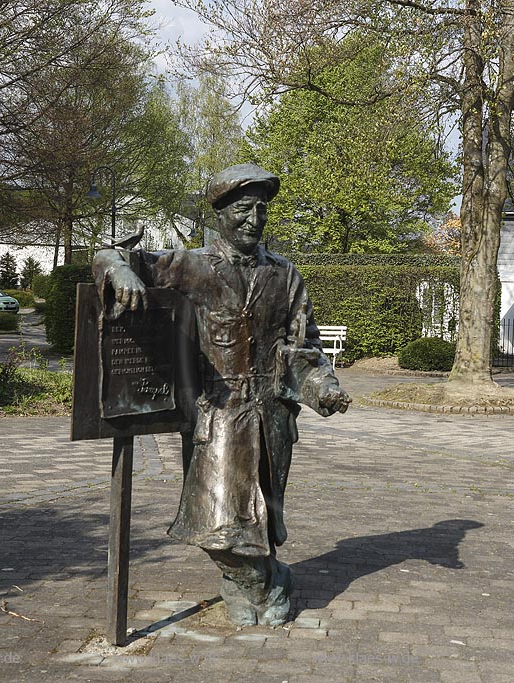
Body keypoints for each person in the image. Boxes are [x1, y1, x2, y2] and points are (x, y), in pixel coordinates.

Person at [92, 163, 351, 626]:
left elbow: (302, 343)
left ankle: (261, 580)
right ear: (220, 215)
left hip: (272, 414)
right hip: (217, 411)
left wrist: (322, 386)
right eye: (243, 210)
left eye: (262, 210)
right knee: (216, 523)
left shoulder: (285, 274)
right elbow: (111, 254)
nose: (254, 219)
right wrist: (119, 272)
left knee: (263, 511)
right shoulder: (191, 266)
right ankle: (259, 581)